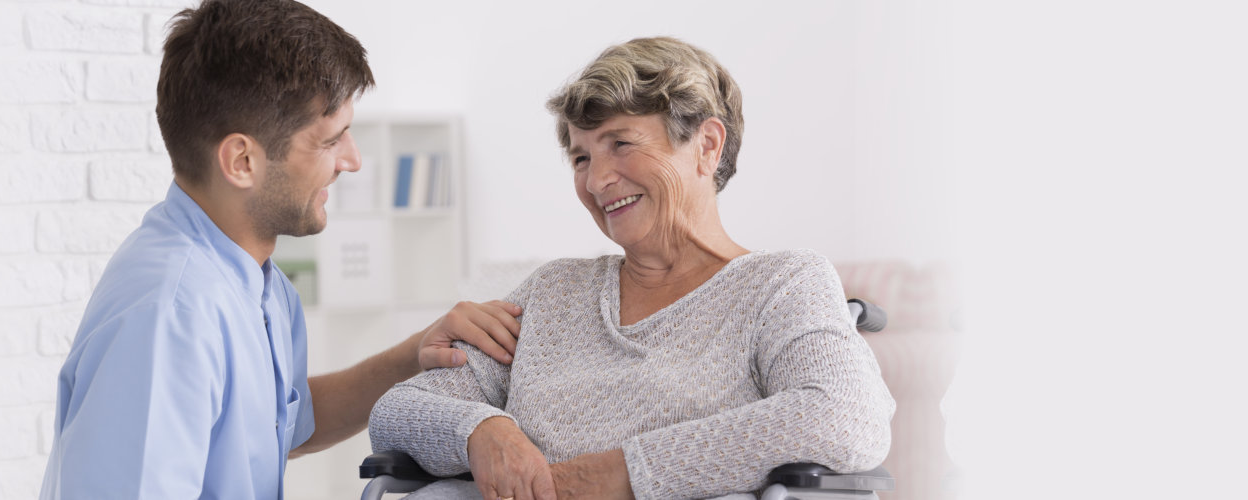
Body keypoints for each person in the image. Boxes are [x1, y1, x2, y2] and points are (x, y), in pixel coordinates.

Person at [367, 37, 895, 500]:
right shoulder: (554, 291)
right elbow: (399, 410)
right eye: (580, 158)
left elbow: (843, 415)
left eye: (620, 143)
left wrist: (626, 474)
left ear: (707, 146)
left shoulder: (783, 285)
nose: (597, 181)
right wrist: (481, 430)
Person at [37, 1, 523, 498]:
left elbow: (285, 426)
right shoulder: (171, 316)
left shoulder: (258, 282)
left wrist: (415, 353)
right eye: (330, 141)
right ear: (242, 160)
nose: (352, 160)